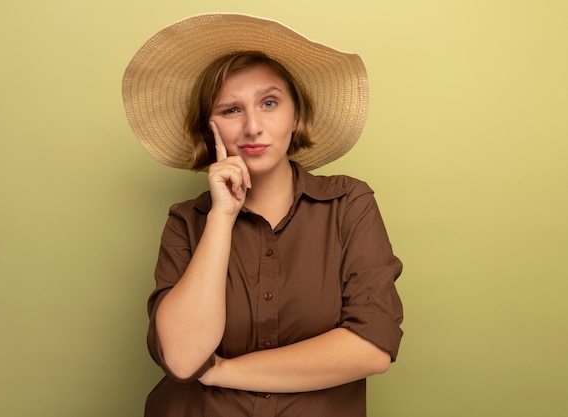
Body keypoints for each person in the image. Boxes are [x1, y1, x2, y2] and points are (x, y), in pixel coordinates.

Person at [122, 13, 404, 417]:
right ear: (210, 128)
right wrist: (221, 216)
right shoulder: (188, 222)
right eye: (231, 111)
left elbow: (371, 348)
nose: (253, 126)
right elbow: (183, 359)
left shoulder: (348, 204)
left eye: (269, 103)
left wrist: (223, 372)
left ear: (295, 116)